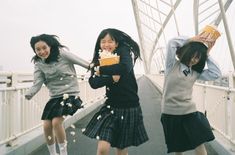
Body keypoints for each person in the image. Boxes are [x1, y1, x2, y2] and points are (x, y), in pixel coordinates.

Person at [83, 28, 149, 155]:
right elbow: (93, 82)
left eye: (110, 41)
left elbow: (125, 67)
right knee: (103, 149)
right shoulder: (99, 58)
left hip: (129, 105)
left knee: (121, 148)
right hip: (110, 106)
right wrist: (111, 78)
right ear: (99, 44)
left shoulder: (124, 52)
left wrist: (101, 71)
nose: (106, 45)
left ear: (116, 43)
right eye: (103, 42)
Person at [25, 34, 89, 155]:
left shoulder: (61, 54)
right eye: (38, 49)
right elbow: (37, 82)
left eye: (44, 48)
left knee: (56, 122)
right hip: (54, 97)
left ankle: (63, 153)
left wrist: (95, 68)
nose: (42, 51)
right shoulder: (39, 63)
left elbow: (80, 61)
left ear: (50, 46)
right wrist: (29, 94)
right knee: (46, 125)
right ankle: (53, 153)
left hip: (70, 94)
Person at [160, 33, 222, 155]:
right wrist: (192, 39)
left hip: (190, 113)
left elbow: (216, 74)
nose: (194, 59)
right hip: (170, 113)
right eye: (192, 56)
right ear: (186, 53)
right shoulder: (171, 65)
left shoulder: (196, 72)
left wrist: (206, 54)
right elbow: (172, 42)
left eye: (197, 58)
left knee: (200, 145)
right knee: (178, 149)